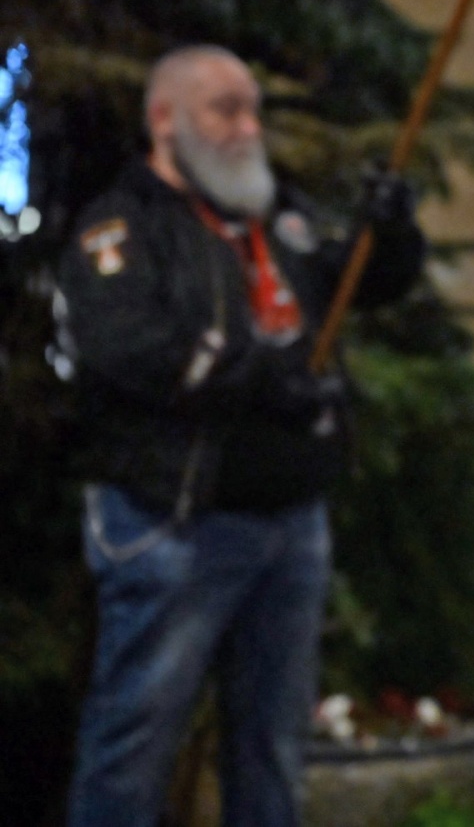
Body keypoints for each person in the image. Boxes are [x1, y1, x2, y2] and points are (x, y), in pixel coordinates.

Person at [58, 45, 424, 827]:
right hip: (176, 525)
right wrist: (258, 379)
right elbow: (127, 351)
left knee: (272, 749)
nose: (248, 127)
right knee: (134, 750)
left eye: (253, 108)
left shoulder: (274, 216)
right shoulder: (124, 228)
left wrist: (390, 235)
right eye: (225, 108)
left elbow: (353, 285)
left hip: (291, 526)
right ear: (165, 118)